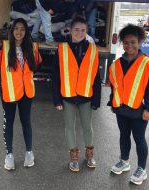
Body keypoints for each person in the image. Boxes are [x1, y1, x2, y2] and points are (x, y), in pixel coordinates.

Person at [108, 24, 149, 185]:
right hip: (121, 109)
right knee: (123, 136)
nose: (129, 45)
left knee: (139, 139)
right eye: (126, 42)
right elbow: (115, 86)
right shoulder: (116, 64)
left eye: (133, 42)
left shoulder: (148, 64)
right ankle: (124, 161)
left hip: (139, 110)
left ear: (140, 42)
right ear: (122, 43)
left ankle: (142, 169)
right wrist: (112, 103)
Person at [52, 16, 101, 172]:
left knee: (88, 127)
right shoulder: (62, 49)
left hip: (86, 96)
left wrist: (96, 100)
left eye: (83, 30)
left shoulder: (93, 50)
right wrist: (57, 99)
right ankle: (73, 158)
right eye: (76, 30)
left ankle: (89, 155)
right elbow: (56, 76)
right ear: (70, 30)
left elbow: (96, 77)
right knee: (69, 127)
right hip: (68, 96)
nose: (79, 33)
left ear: (86, 32)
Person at [0, 18, 42, 171]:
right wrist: (1, 87)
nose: (19, 32)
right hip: (9, 93)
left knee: (26, 121)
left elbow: (38, 64)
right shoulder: (4, 47)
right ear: (12, 30)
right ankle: (9, 155)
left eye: (22, 29)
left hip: (27, 92)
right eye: (16, 29)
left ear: (26, 31)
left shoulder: (32, 47)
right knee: (9, 122)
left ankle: (29, 153)